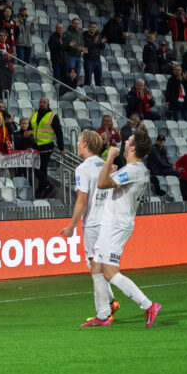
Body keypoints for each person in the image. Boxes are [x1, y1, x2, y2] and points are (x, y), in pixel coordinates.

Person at [84, 129, 161, 327]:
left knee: (110, 272)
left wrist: (109, 157)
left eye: (128, 141)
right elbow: (109, 182)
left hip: (116, 225)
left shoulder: (134, 170)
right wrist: (111, 170)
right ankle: (103, 315)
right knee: (96, 266)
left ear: (133, 148)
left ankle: (149, 305)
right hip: (112, 222)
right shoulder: (135, 169)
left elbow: (102, 183)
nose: (125, 142)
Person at [61, 129, 119, 323]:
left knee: (95, 266)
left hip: (93, 223)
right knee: (97, 264)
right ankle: (110, 302)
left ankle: (103, 313)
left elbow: (82, 200)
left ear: (85, 144)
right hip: (108, 221)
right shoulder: (105, 165)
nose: (77, 144)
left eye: (79, 141)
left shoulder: (83, 169)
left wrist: (71, 226)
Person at [29, 97, 64, 198]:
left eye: (44, 102)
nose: (42, 103)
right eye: (40, 102)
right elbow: (30, 128)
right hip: (36, 146)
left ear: (48, 104)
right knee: (40, 169)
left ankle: (44, 187)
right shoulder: (33, 115)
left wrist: (61, 148)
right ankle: (44, 187)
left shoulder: (53, 116)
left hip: (46, 146)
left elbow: (58, 132)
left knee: (40, 168)